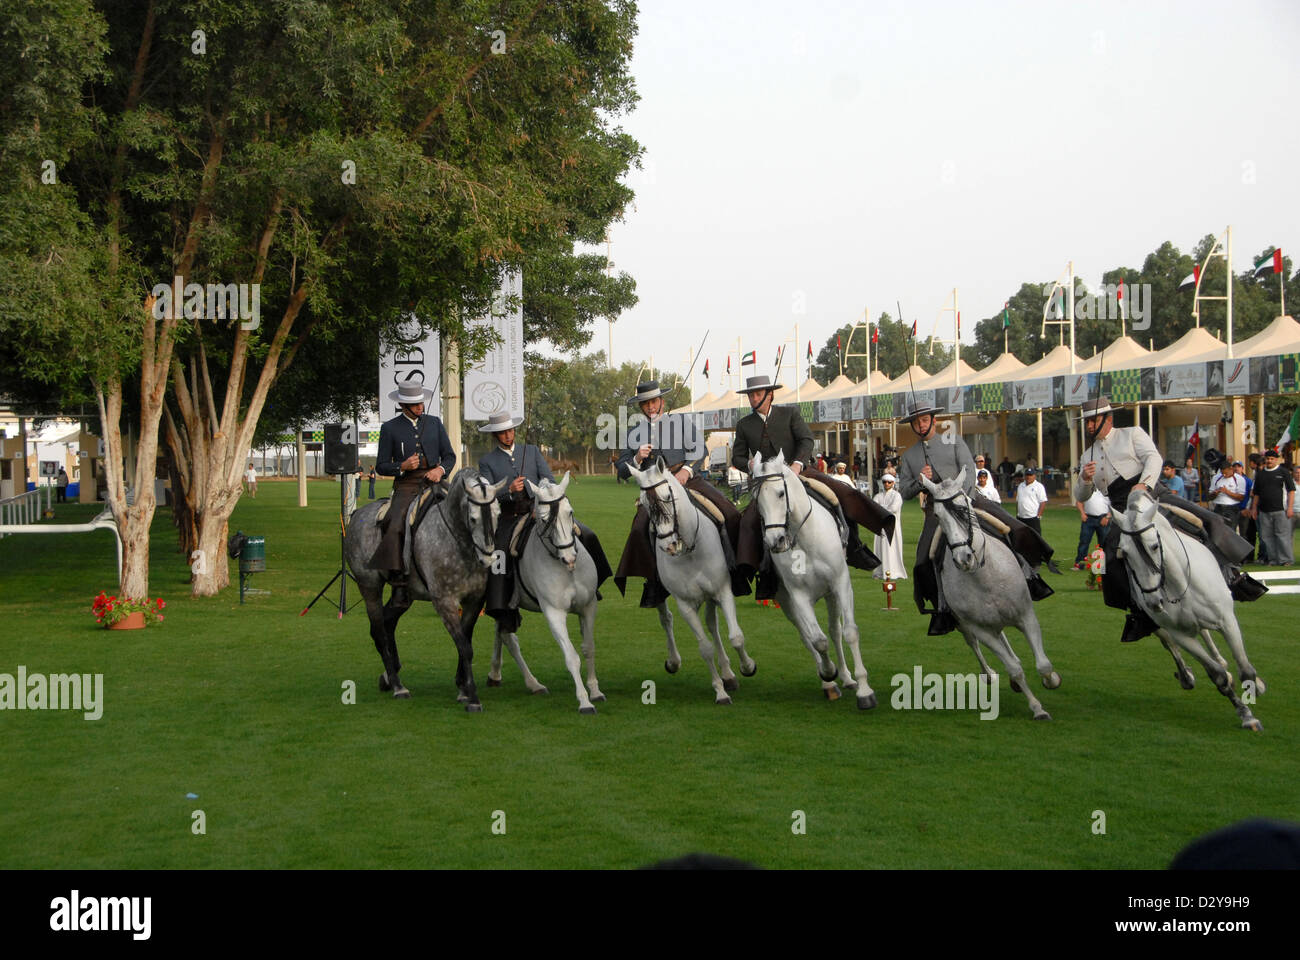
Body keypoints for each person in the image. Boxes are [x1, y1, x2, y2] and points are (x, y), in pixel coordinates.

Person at [1075, 395, 1262, 645]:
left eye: (1093, 420)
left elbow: (1154, 458)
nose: (1088, 425)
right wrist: (1085, 480)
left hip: (1153, 494)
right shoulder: (1087, 455)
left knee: (1203, 520)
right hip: (1123, 509)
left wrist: (1144, 483)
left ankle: (1232, 575)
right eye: (1086, 421)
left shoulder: (1132, 434)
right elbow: (1081, 495)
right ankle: (1138, 612)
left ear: (1108, 419)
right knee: (1110, 558)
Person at [897, 401, 1055, 636]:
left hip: (968, 499)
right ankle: (941, 608)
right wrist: (919, 481)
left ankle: (1030, 576)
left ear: (934, 420)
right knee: (923, 560)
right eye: (915, 421)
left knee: (1010, 526)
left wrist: (966, 500)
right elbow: (903, 491)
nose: (920, 425)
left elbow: (969, 470)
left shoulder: (954, 441)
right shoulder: (909, 456)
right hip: (937, 511)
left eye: (923, 419)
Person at [731, 375, 895, 599]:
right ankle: (756, 573)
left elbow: (806, 440)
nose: (753, 398)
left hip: (799, 471)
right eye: (751, 394)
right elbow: (737, 457)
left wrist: (798, 463)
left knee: (841, 492)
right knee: (748, 522)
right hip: (767, 483)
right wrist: (749, 464)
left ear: (769, 395)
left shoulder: (789, 414)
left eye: (758, 394)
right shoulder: (744, 425)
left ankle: (857, 545)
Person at [614, 380, 746, 607]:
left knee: (730, 512)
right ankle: (653, 582)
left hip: (688, 480)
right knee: (638, 530)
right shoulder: (634, 432)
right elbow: (622, 469)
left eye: (654, 402)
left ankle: (736, 571)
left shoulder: (680, 422)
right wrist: (637, 457)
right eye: (645, 404)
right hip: (655, 491)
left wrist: (685, 471)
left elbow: (700, 449)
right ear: (640, 407)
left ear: (662, 402)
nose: (650, 407)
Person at [478, 412, 612, 630]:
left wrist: (541, 498)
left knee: (586, 534)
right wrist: (509, 491)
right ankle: (503, 607)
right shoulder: (487, 462)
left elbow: (549, 479)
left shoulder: (531, 451)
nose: (507, 435)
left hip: (540, 510)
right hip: (509, 516)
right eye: (502, 433)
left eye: (510, 431)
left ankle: (593, 585)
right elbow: (487, 495)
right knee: (499, 553)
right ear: (495, 435)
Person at [369, 381, 456, 598]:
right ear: (403, 405)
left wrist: (441, 470)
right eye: (415, 404)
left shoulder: (435, 423)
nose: (420, 407)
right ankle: (398, 574)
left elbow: (450, 456)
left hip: (435, 481)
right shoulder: (389, 428)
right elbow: (381, 465)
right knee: (395, 521)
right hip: (407, 485)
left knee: (463, 513)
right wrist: (402, 466)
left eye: (421, 403)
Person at [1247, 448, 1295, 566]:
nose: (1269, 461)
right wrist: (1254, 509)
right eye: (1268, 459)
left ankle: (1285, 560)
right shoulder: (1261, 474)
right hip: (1264, 511)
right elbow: (1256, 493)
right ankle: (1273, 559)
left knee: (1282, 536)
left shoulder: (1283, 472)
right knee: (1266, 537)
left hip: (1280, 509)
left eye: (1272, 459)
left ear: (1276, 460)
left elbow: (1291, 491)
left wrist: (1289, 508)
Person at [872, 472, 906, 580]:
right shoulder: (878, 495)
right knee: (879, 549)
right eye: (885, 482)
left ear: (893, 483)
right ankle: (880, 571)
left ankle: (894, 571)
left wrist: (881, 507)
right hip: (880, 526)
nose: (887, 484)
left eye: (889, 482)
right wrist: (884, 508)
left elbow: (894, 509)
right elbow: (873, 508)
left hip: (892, 527)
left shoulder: (897, 495)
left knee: (892, 549)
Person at [1073, 487, 1109, 570]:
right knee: (1084, 541)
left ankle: (1105, 564)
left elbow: (1113, 505)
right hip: (1088, 518)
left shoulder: (1106, 490)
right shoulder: (1086, 490)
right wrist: (1082, 513)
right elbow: (1079, 502)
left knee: (1104, 542)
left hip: (1103, 518)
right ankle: (1080, 563)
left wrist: (1107, 517)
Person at [1015, 466, 1049, 536]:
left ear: (1034, 476)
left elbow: (1043, 502)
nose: (1028, 477)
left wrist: (1039, 515)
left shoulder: (1039, 486)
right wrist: (1017, 513)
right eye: (1027, 475)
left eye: (1030, 475)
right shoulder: (1021, 485)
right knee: (1021, 538)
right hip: (1021, 517)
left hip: (1032, 518)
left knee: (1035, 538)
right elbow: (1018, 501)